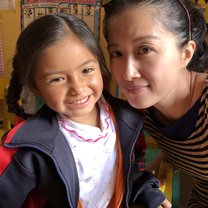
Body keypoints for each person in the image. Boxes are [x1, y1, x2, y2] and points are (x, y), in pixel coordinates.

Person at [0, 13, 169, 208]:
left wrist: (146, 191)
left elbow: (133, 168)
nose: (78, 88)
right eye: (57, 79)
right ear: (35, 86)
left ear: (99, 64)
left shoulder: (127, 119)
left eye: (87, 70)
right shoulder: (25, 148)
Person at [102, 0, 208, 207]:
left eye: (145, 49)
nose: (127, 73)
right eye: (117, 53)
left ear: (185, 54)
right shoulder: (144, 112)